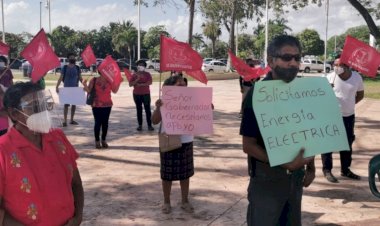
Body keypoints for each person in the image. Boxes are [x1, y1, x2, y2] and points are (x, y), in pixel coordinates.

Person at [240, 35, 315, 226]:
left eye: (297, 58)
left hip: (295, 180)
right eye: (287, 57)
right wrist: (284, 163)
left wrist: (311, 167)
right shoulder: (257, 95)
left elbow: (311, 131)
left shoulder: (304, 92)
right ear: (271, 60)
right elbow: (248, 145)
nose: (293, 63)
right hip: (266, 181)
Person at [0, 82, 84, 225]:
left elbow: (76, 183)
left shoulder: (58, 138)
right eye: (35, 107)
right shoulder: (3, 150)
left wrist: (78, 217)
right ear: (14, 113)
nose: (42, 111)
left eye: (43, 105)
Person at [152, 75, 195, 214]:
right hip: (168, 139)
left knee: (185, 173)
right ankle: (166, 201)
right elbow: (154, 121)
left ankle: (184, 200)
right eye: (179, 85)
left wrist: (206, 107)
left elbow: (201, 116)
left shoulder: (191, 101)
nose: (183, 88)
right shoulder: (165, 101)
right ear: (170, 88)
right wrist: (158, 107)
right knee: (166, 174)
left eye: (184, 85)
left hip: (186, 140)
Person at [321, 57, 364, 183]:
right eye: (335, 64)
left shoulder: (356, 78)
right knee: (328, 143)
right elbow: (320, 96)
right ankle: (327, 170)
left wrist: (349, 105)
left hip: (348, 116)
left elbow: (360, 95)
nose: (336, 67)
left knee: (347, 144)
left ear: (347, 65)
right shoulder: (329, 77)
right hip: (330, 116)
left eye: (339, 65)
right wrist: (327, 89)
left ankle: (345, 170)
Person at [83, 71, 120, 149]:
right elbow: (88, 91)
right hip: (96, 105)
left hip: (107, 105)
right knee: (97, 123)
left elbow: (115, 91)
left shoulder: (110, 80)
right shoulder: (94, 80)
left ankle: (103, 140)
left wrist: (119, 82)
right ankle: (97, 141)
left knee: (105, 123)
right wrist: (84, 84)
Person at [56, 53, 83, 127]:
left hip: (75, 88)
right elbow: (61, 78)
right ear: (68, 59)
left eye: (73, 57)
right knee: (66, 105)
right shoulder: (64, 67)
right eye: (71, 57)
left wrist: (85, 85)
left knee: (74, 105)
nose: (72, 58)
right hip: (66, 89)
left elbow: (80, 78)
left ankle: (71, 120)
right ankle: (64, 121)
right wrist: (57, 86)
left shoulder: (77, 68)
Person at [129, 59, 154, 131]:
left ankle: (149, 125)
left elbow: (150, 82)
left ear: (145, 66)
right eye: (140, 65)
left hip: (146, 94)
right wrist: (137, 79)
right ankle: (140, 125)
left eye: (143, 65)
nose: (141, 66)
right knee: (139, 110)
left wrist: (141, 84)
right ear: (137, 66)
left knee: (147, 110)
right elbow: (130, 84)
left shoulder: (147, 74)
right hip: (136, 94)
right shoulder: (134, 75)